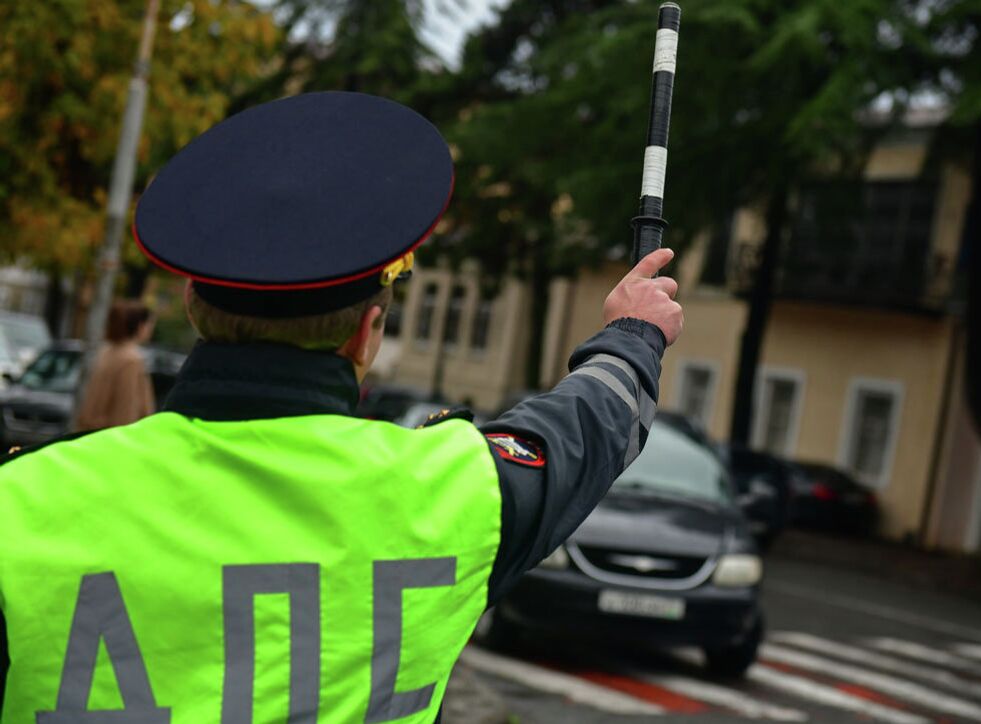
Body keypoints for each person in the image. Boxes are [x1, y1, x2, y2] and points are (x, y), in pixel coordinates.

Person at [0, 92, 682, 721]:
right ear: (365, 333)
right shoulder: (450, 497)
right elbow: (586, 430)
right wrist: (633, 334)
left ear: (191, 303)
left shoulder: (23, 504)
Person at [73, 299, 156, 432]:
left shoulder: (107, 352)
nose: (151, 329)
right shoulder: (131, 360)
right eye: (150, 324)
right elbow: (126, 409)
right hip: (113, 438)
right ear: (140, 326)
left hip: (91, 434)